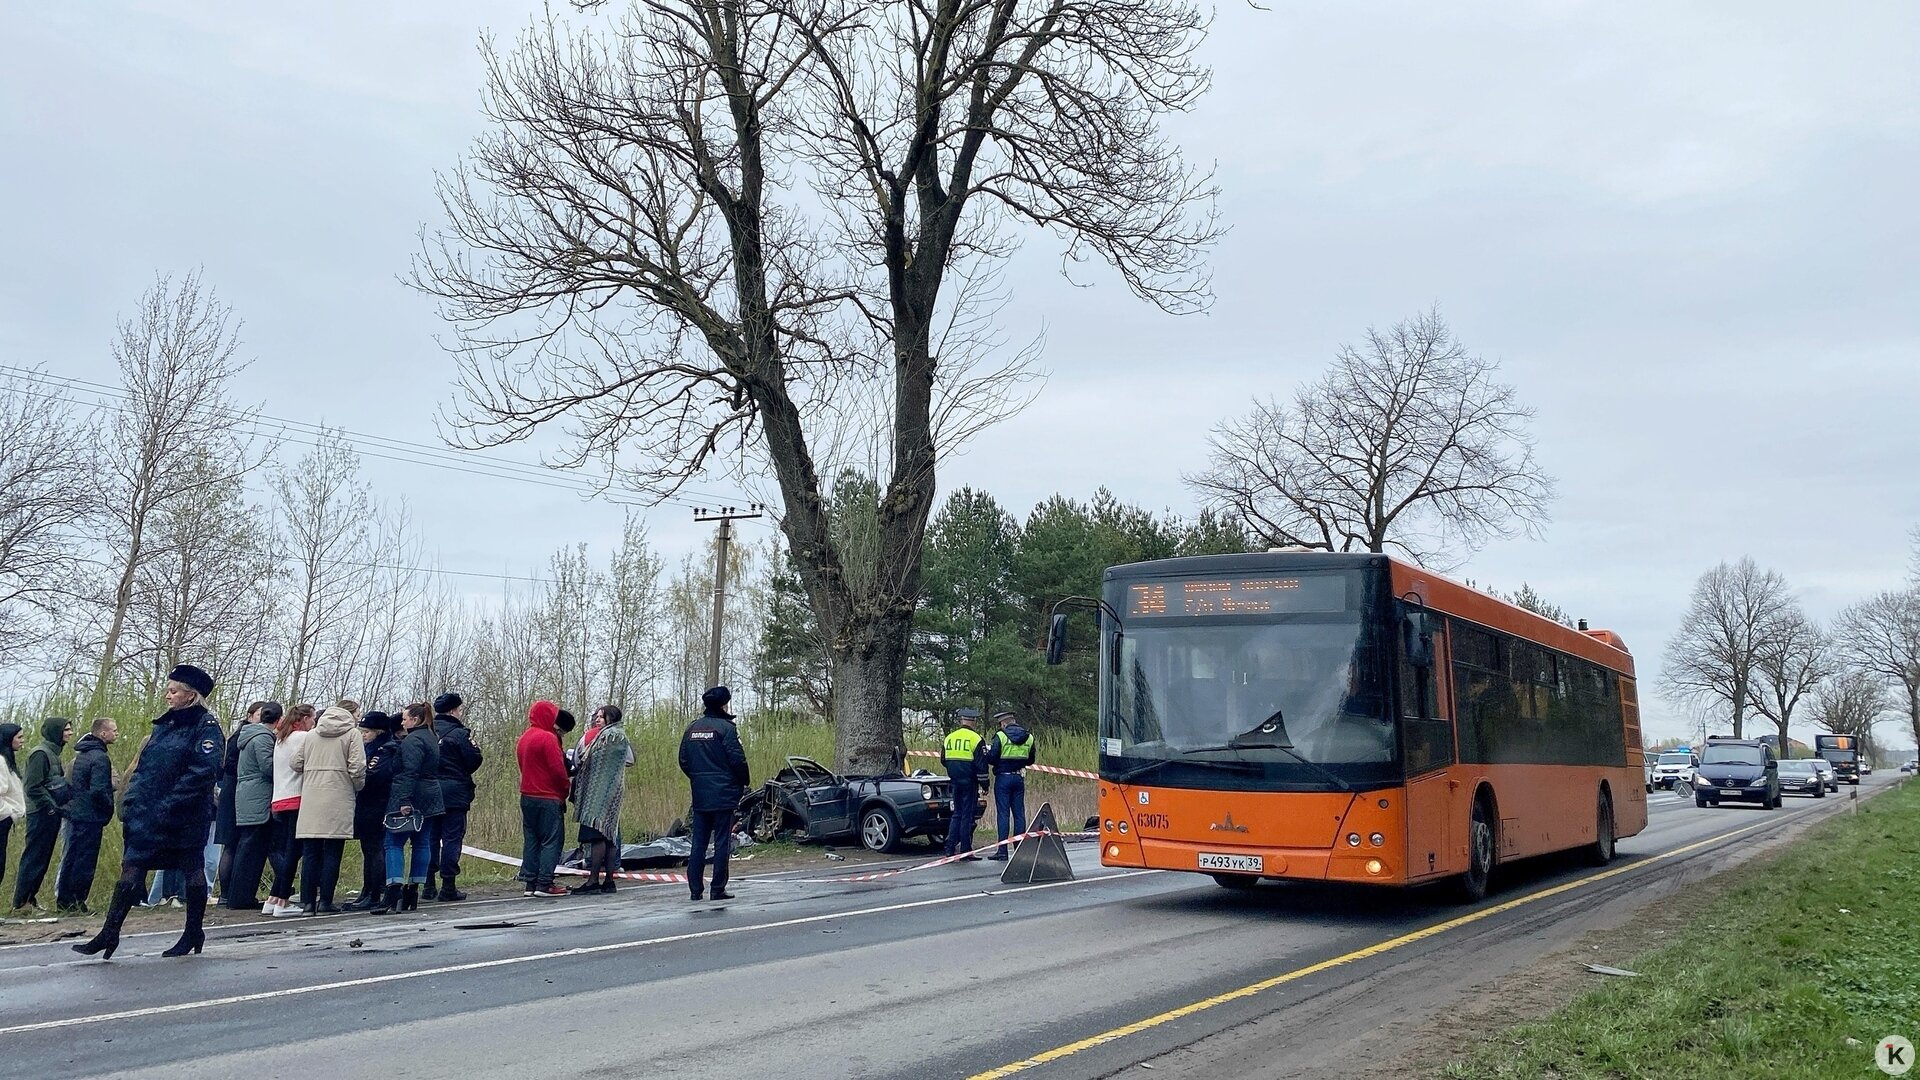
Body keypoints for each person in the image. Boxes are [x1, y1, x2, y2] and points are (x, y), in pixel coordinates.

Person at [73, 664, 224, 960]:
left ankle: (193, 931)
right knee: (133, 866)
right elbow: (145, 767)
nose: (168, 695)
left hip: (185, 814)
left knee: (191, 866)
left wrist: (170, 803)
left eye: (173, 691)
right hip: (148, 812)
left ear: (191, 695)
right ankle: (109, 932)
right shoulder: (164, 725)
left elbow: (203, 771)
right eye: (168, 690)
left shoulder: (206, 727)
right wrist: (133, 799)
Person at [293, 704, 367, 914]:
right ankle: (325, 901)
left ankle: (307, 903)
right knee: (333, 852)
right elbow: (357, 766)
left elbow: (295, 762)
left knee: (310, 853)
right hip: (338, 796)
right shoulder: (352, 734)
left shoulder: (311, 735)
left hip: (312, 797)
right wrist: (357, 785)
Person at [679, 686, 749, 903]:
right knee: (721, 842)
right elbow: (737, 760)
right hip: (724, 794)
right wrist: (743, 781)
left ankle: (695, 890)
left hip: (700, 795)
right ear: (723, 705)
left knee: (698, 843)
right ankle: (717, 888)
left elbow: (683, 760)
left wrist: (699, 778)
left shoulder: (692, 729)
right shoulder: (726, 729)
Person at [377, 703, 444, 914]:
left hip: (411, 794)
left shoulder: (412, 741)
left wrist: (404, 800)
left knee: (393, 842)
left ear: (415, 720)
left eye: (405, 718)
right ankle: (412, 890)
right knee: (422, 843)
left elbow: (410, 771)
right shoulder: (432, 737)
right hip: (431, 794)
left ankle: (393, 889)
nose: (402, 722)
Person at [55, 718, 118, 913]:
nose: (116, 734)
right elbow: (99, 790)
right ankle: (78, 901)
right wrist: (108, 808)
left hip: (77, 814)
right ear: (103, 734)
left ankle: (64, 900)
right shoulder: (99, 757)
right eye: (114, 731)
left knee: (72, 856)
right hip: (90, 816)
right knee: (85, 860)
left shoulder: (82, 755)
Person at [225, 701, 282, 910]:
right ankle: (241, 897)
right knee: (252, 850)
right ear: (278, 720)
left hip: (247, 796)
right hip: (258, 797)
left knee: (247, 848)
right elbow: (268, 767)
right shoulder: (262, 739)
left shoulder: (248, 736)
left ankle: (238, 895)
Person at [14, 717, 73, 911]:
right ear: (56, 732)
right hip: (40, 812)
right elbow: (32, 787)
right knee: (34, 857)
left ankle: (30, 899)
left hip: (49, 811)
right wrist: (50, 806)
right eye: (66, 730)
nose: (70, 733)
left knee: (43, 857)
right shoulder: (40, 754)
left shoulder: (53, 753)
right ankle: (22, 901)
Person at [571, 704, 631, 894]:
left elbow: (582, 759)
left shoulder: (604, 736)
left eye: (601, 716)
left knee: (597, 835)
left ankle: (593, 880)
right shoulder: (622, 736)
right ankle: (609, 881)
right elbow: (630, 760)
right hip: (614, 791)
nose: (597, 719)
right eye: (596, 716)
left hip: (597, 792)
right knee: (610, 835)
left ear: (611, 718)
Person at [428, 692, 482, 901]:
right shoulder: (460, 734)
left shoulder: (428, 732)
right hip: (455, 793)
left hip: (430, 792)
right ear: (453, 710)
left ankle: (428, 884)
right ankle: (448, 885)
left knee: (430, 838)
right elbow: (473, 760)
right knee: (451, 838)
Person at [262, 704, 315, 916]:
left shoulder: (282, 739)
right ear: (303, 719)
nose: (314, 723)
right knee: (294, 852)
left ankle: (274, 897)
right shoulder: (303, 738)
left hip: (279, 798)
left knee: (287, 850)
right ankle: (283, 900)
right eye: (312, 718)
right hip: (296, 797)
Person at [346, 711, 400, 911]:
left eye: (367, 732)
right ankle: (367, 891)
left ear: (379, 731)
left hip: (377, 805)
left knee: (375, 850)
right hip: (367, 805)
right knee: (367, 850)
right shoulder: (371, 749)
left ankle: (375, 892)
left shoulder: (385, 750)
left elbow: (374, 776)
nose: (363, 735)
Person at [516, 700, 569, 898]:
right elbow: (558, 771)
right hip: (548, 796)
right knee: (551, 840)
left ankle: (530, 882)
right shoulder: (548, 738)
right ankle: (544, 883)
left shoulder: (524, 738)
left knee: (531, 839)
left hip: (527, 795)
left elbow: (522, 765)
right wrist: (564, 790)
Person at [214, 702, 264, 899]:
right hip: (235, 791)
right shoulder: (244, 737)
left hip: (233, 790)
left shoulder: (240, 736)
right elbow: (229, 764)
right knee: (231, 844)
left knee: (231, 844)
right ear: (250, 715)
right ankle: (228, 893)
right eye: (259, 714)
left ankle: (229, 893)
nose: (262, 718)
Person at [980, 710, 1036, 861]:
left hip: (1003, 779)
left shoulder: (1001, 736)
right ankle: (1019, 849)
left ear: (1003, 723)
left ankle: (1002, 851)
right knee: (1019, 814)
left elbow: (992, 758)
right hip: (1019, 778)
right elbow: (1031, 760)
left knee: (1003, 814)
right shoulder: (1029, 737)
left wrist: (988, 754)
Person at [941, 708, 985, 859]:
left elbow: (943, 760)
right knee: (967, 815)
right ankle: (965, 850)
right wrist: (985, 784)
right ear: (973, 721)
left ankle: (949, 848)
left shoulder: (949, 738)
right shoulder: (976, 739)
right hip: (969, 782)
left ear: (961, 720)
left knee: (956, 814)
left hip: (954, 781)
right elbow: (981, 765)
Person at [0, 724, 26, 894]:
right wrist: (7, 813)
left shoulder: (6, 760)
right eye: (19, 737)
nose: (22, 741)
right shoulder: (1, 760)